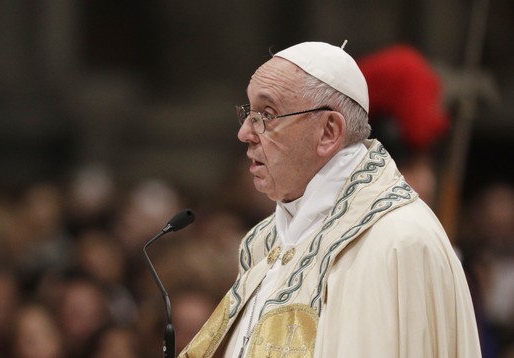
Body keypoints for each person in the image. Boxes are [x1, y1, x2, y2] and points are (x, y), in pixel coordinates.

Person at [179, 41, 481, 357]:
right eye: (248, 112)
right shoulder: (264, 242)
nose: (245, 132)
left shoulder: (397, 242)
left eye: (266, 114)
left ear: (328, 132)